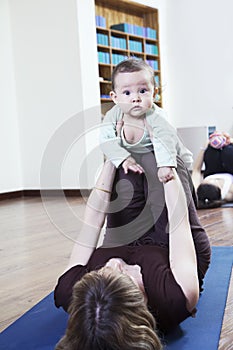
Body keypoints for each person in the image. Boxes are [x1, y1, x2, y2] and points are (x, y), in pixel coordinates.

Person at [54, 154, 211, 350]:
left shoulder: (70, 290)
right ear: (140, 300)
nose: (113, 263)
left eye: (101, 271)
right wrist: (164, 158)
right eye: (122, 274)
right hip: (173, 246)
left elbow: (93, 221)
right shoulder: (175, 295)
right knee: (160, 163)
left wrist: (115, 155)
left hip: (123, 237)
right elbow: (179, 219)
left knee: (126, 172)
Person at [100, 57, 193, 183]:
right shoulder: (113, 115)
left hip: (173, 155)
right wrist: (123, 158)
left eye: (142, 91)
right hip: (140, 159)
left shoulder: (156, 115)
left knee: (177, 177)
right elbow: (106, 140)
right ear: (115, 97)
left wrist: (165, 164)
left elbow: (165, 139)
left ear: (154, 94)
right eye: (127, 93)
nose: (136, 98)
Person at [192, 131, 233, 208]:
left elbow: (196, 170)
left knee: (212, 151)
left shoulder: (197, 191)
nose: (213, 180)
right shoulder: (229, 192)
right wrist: (230, 140)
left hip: (212, 170)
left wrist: (204, 147)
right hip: (230, 170)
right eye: (217, 182)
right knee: (228, 152)